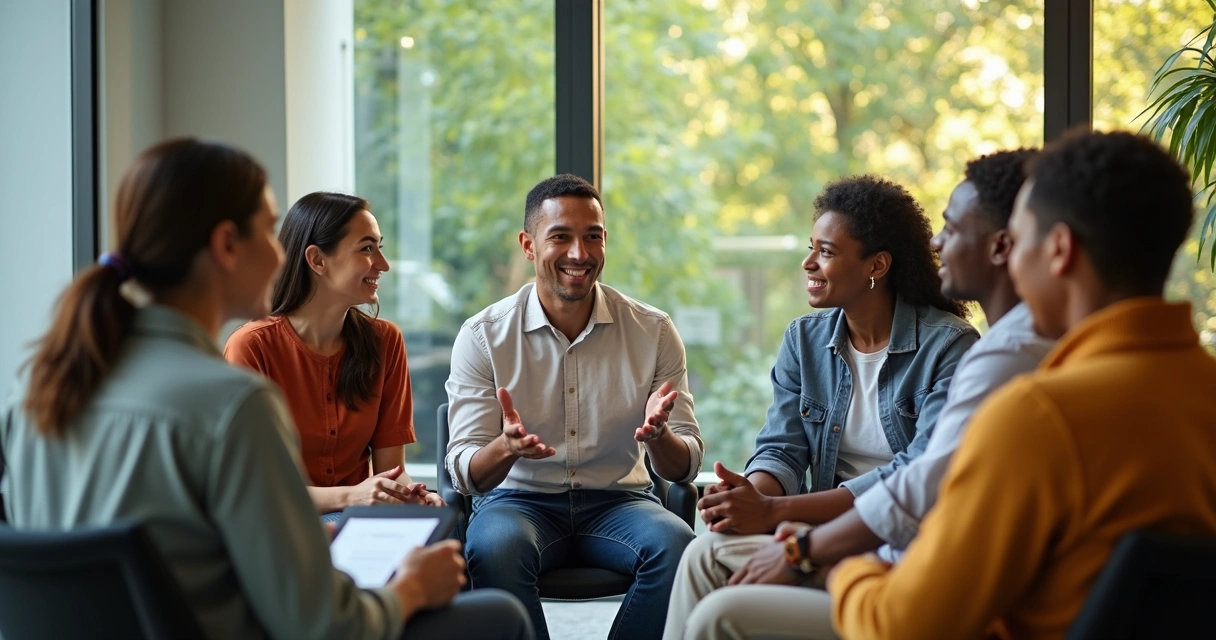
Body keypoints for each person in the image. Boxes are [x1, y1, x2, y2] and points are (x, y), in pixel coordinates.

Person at [0, 138, 532, 640]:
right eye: (268, 230)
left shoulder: (39, 393)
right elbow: (322, 627)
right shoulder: (231, 405)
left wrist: (296, 541)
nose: (281, 255)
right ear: (227, 244)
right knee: (498, 615)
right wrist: (411, 588)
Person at [829, 130, 1216, 639]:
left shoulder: (1038, 415)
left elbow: (900, 625)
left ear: (1058, 249)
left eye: (1021, 237)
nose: (1012, 258)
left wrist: (845, 570)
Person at [666, 149, 1057, 640]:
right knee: (704, 551)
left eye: (826, 251)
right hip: (829, 528)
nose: (808, 262)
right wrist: (749, 496)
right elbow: (783, 448)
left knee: (717, 609)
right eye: (811, 247)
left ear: (877, 265)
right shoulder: (804, 340)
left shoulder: (956, 348)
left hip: (889, 541)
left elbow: (914, 480)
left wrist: (778, 517)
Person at [444, 174, 704, 640]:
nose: (580, 253)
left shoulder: (654, 331)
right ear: (528, 244)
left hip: (620, 500)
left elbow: (685, 467)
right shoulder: (483, 336)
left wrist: (660, 437)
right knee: (494, 548)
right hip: (517, 501)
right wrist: (505, 447)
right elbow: (465, 472)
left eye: (593, 237)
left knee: (679, 545)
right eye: (560, 236)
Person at [225, 192, 441, 521]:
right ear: (317, 260)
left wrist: (412, 496)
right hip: (284, 522)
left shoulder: (386, 341)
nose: (382, 264)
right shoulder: (251, 347)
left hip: (359, 518)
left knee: (443, 529)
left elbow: (392, 473)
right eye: (367, 248)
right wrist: (355, 496)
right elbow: (257, 488)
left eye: (379, 247)